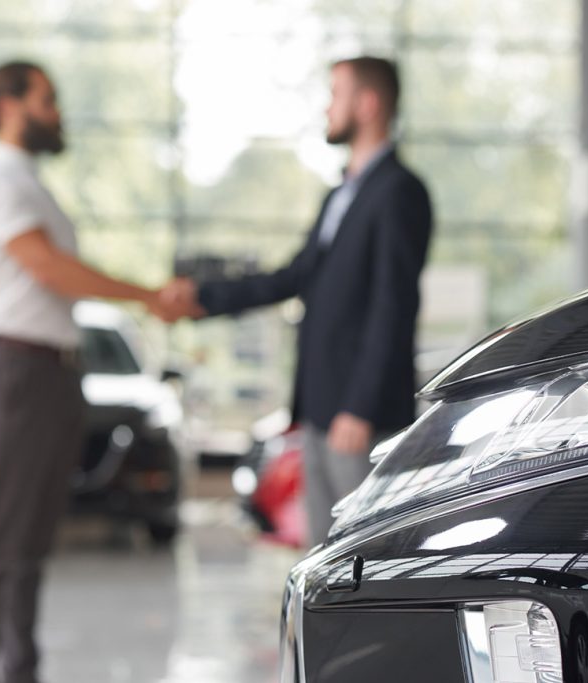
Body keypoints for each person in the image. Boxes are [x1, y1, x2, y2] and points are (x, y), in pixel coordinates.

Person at [0, 60, 193, 683]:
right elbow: (49, 269)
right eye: (48, 100)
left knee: (30, 539)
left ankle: (19, 670)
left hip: (52, 374)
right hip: (18, 373)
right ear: (10, 104)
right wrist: (145, 295)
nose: (58, 113)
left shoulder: (28, 182)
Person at [171, 56, 433, 546]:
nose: (327, 108)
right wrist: (203, 298)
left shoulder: (399, 192)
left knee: (363, 554)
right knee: (324, 552)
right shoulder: (342, 194)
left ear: (369, 103)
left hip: (357, 414)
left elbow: (393, 306)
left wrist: (360, 406)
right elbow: (295, 276)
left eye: (336, 95)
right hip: (319, 406)